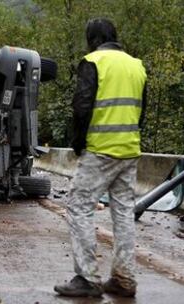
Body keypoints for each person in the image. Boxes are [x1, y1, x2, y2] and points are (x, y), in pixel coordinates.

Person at [54, 18, 147, 298]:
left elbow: (82, 107)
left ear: (92, 39)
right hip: (129, 149)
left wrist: (78, 142)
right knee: (123, 213)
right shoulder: (136, 65)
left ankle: (87, 277)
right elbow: (140, 111)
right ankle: (124, 279)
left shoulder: (93, 61)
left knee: (79, 205)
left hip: (100, 149)